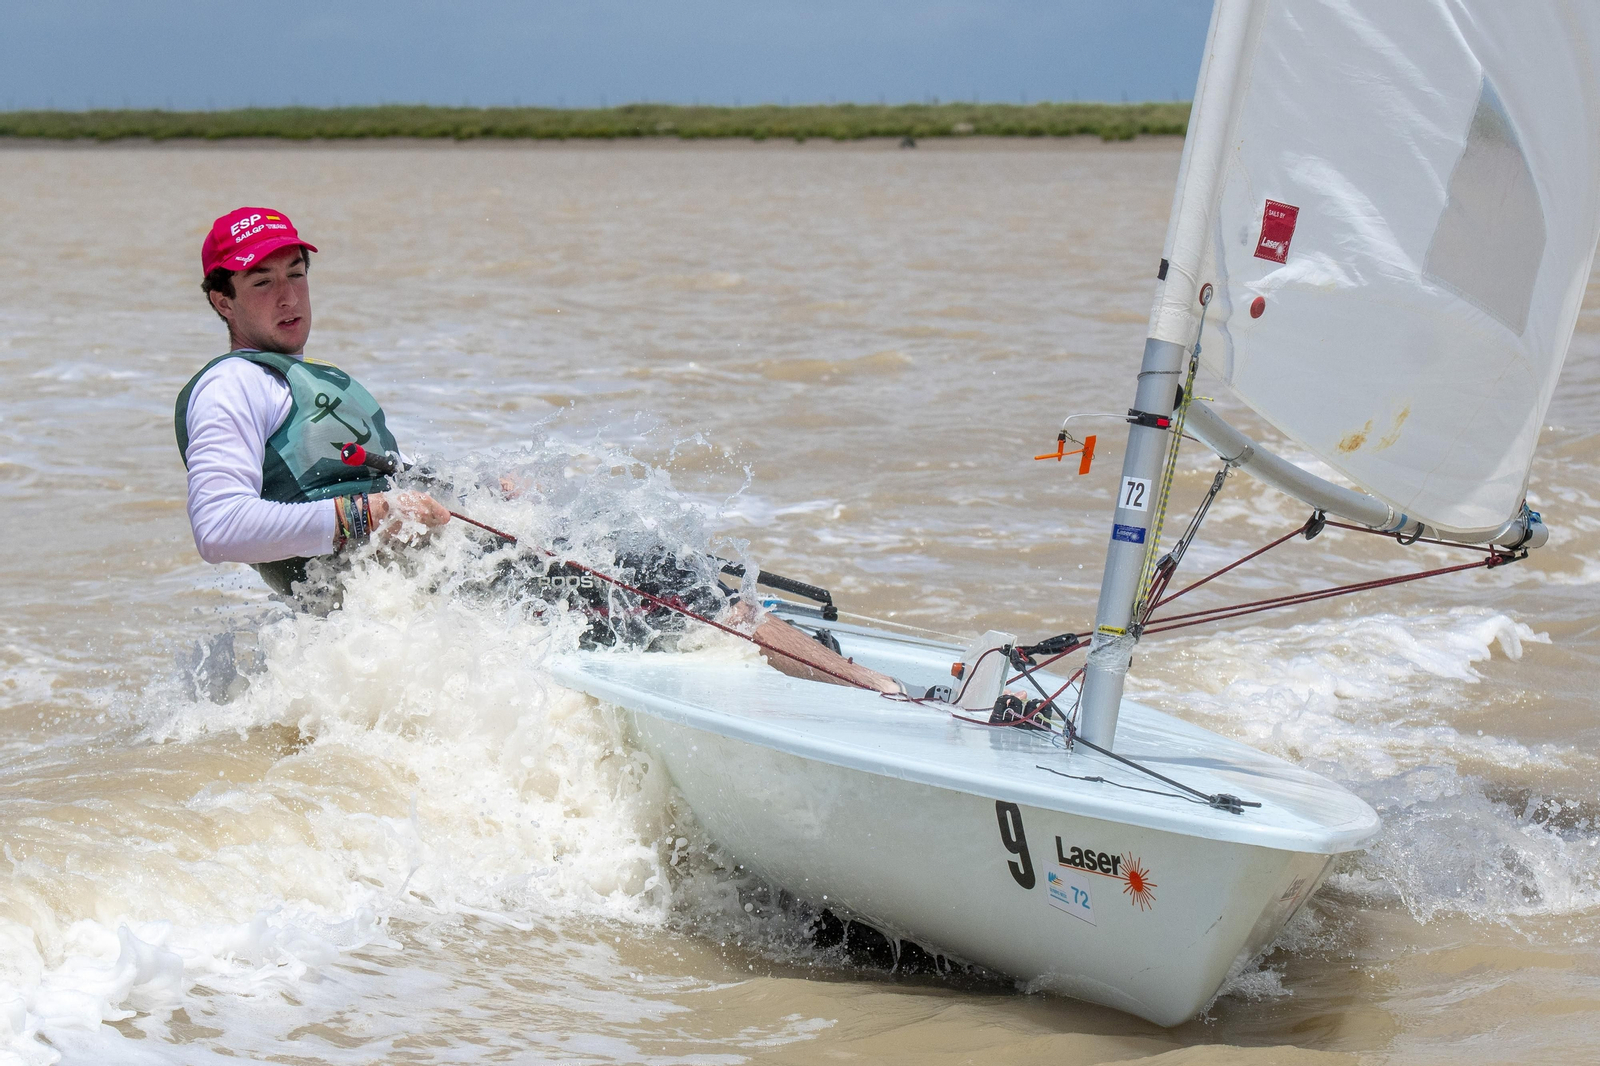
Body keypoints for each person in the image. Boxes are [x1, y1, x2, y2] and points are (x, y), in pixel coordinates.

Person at [174, 206, 897, 693]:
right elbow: (221, 529)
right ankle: (877, 693)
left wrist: (477, 484)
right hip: (383, 583)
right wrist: (370, 516)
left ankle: (802, 665)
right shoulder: (231, 389)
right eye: (261, 281)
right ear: (221, 300)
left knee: (627, 544)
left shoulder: (299, 378)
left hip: (408, 576)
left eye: (296, 273)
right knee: (654, 574)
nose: (288, 295)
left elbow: (369, 476)